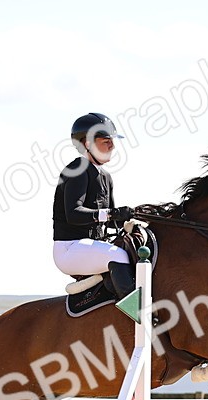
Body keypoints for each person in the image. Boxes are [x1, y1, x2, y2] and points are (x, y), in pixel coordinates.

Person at [52, 112, 136, 298]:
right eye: (106, 141)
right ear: (88, 144)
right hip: (69, 248)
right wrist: (111, 214)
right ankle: (139, 314)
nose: (112, 145)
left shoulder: (106, 177)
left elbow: (111, 221)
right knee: (118, 256)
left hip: (92, 245)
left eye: (112, 140)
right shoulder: (76, 170)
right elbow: (73, 214)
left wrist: (131, 219)